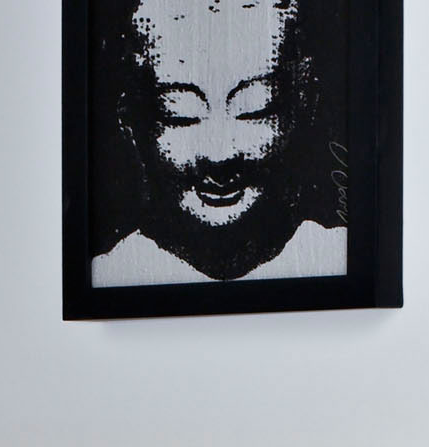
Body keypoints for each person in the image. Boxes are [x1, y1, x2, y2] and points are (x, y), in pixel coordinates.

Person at [93, 0, 347, 287]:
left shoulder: (335, 258)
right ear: (131, 116)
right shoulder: (113, 275)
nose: (220, 154)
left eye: (254, 107)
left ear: (304, 100)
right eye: (180, 112)